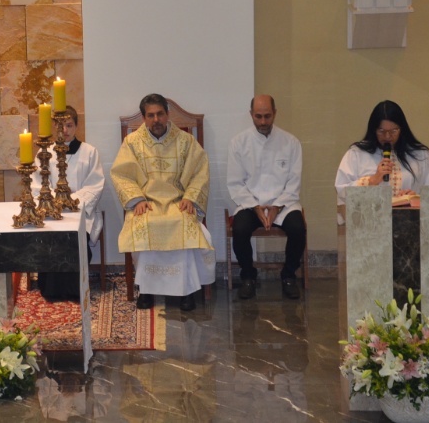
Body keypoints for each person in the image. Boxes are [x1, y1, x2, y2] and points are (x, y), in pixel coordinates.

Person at [111, 93, 215, 312]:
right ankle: (146, 290)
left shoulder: (186, 141)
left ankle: (186, 291)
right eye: (150, 115)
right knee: (142, 225)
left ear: (167, 115)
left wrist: (190, 197)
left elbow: (200, 171)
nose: (156, 119)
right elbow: (122, 174)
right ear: (143, 117)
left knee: (184, 224)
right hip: (147, 203)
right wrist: (136, 199)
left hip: (178, 201)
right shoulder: (132, 143)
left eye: (160, 114)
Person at [226, 95, 306, 300]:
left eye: (267, 116)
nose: (263, 122)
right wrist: (255, 207)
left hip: (284, 203)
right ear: (251, 115)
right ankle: (248, 277)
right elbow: (235, 182)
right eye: (258, 116)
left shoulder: (291, 142)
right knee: (240, 229)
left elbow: (294, 181)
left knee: (298, 228)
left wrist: (277, 206)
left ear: (275, 113)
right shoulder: (238, 143)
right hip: (251, 203)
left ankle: (288, 275)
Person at [29, 105, 105, 301]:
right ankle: (51, 291)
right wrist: (55, 201)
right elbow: (37, 186)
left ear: (76, 126)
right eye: (61, 126)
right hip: (52, 212)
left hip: (79, 212)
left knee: (74, 243)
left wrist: (71, 201)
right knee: (50, 242)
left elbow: (94, 185)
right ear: (55, 127)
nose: (65, 131)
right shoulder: (44, 154)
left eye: (69, 125)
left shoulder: (89, 152)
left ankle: (74, 290)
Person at [335, 100, 429, 208]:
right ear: (373, 130)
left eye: (393, 131)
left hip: (410, 221)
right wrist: (372, 181)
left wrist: (416, 198)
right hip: (371, 222)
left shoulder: (421, 155)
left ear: (402, 129)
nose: (387, 136)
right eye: (381, 131)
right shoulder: (357, 154)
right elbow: (341, 190)